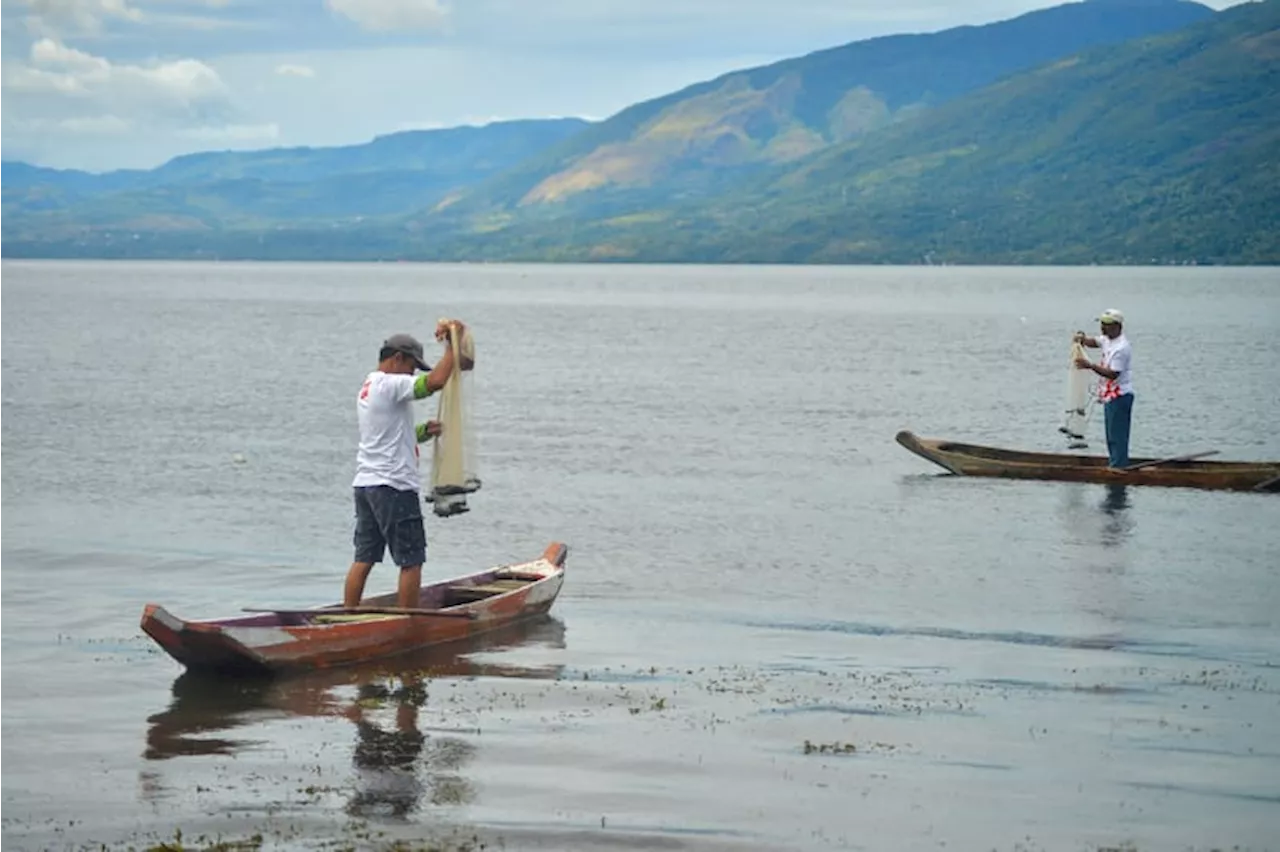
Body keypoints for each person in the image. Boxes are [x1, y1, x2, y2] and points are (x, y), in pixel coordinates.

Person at [345, 321, 466, 610]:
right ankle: (408, 622)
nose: (412, 374)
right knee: (412, 560)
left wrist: (424, 431)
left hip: (366, 484)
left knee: (364, 558)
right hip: (393, 486)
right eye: (412, 366)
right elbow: (435, 382)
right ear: (397, 358)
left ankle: (346, 615)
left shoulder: (368, 385)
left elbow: (388, 434)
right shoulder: (390, 383)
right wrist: (453, 346)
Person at [1074, 309, 1134, 469]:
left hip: (1120, 396)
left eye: (1106, 325)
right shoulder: (1108, 339)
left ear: (1117, 326)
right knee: (1111, 435)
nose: (1102, 328)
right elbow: (1095, 342)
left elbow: (1113, 374)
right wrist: (1083, 340)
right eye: (1102, 324)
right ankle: (1115, 463)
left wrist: (1090, 366)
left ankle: (1119, 467)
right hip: (1110, 396)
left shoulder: (1121, 348)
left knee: (1117, 435)